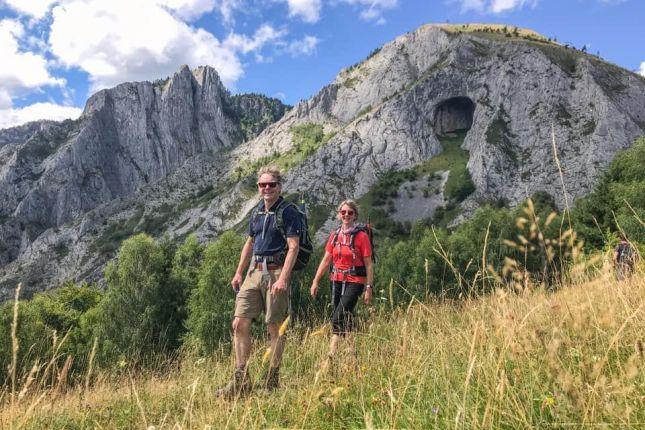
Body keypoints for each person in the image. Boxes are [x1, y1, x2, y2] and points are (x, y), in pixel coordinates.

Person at [217, 166, 300, 399]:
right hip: (254, 272)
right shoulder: (256, 212)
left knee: (274, 327)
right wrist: (238, 272)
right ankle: (241, 380)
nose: (266, 188)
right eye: (262, 185)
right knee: (238, 323)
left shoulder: (288, 211)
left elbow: (293, 247)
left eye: (271, 184)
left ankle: (272, 380)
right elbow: (250, 243)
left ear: (279, 186)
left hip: (275, 272)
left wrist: (283, 278)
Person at [310, 200, 373, 369]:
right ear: (339, 214)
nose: (346, 215)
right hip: (336, 279)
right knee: (346, 319)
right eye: (343, 212)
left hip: (356, 281)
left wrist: (369, 288)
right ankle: (352, 357)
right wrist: (315, 281)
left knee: (338, 317)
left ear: (355, 215)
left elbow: (368, 264)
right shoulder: (335, 235)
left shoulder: (362, 237)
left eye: (350, 213)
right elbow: (326, 260)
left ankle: (329, 359)